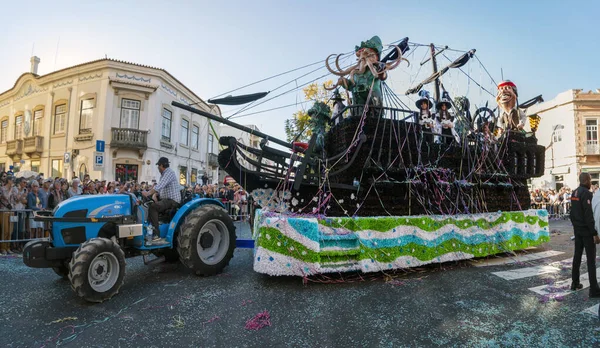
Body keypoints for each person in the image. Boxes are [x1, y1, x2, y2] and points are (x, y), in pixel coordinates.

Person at [570, 172, 600, 297]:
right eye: (590, 180)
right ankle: (594, 289)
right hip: (587, 231)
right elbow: (589, 215)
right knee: (590, 260)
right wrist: (594, 233)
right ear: (586, 180)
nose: (591, 182)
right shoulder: (587, 194)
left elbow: (571, 213)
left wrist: (576, 226)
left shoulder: (574, 193)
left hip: (578, 230)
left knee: (577, 256)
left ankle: (575, 282)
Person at [142, 157, 180, 242]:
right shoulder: (164, 174)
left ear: (162, 165)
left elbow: (159, 186)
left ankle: (156, 234)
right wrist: (155, 194)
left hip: (172, 201)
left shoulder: (169, 173)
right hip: (166, 199)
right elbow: (162, 189)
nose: (158, 168)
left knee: (153, 207)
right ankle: (147, 229)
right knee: (149, 205)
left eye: (158, 166)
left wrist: (148, 193)